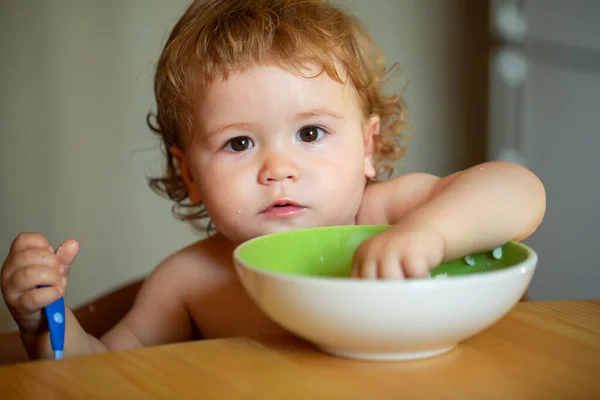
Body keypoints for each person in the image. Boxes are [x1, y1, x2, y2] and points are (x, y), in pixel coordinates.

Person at [0, 0, 546, 360]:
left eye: (310, 133)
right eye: (239, 143)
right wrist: (43, 319)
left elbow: (519, 190)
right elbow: (101, 372)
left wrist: (429, 233)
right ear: (189, 173)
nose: (277, 169)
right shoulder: (189, 282)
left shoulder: (385, 217)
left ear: (368, 146)